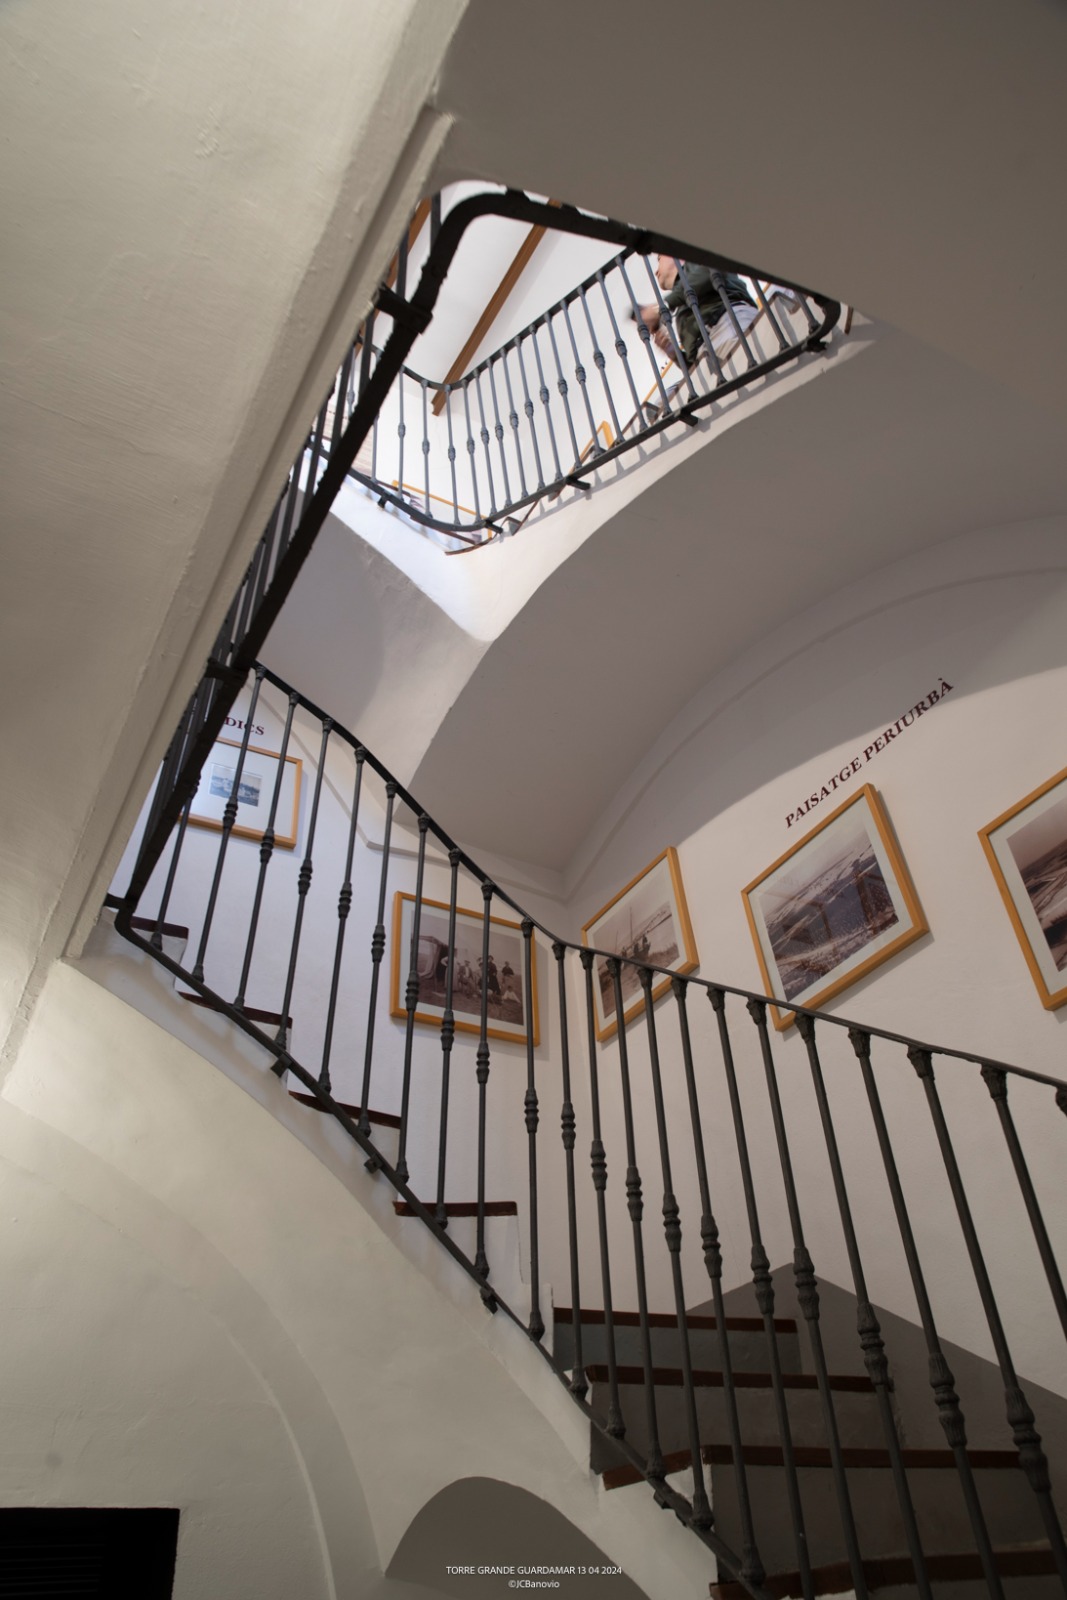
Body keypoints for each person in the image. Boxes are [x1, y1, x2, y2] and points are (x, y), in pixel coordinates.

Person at [637, 254, 758, 371]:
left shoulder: (697, 260)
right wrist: (675, 354)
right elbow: (693, 365)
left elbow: (708, 273)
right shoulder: (680, 301)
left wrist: (660, 307)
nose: (656, 271)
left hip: (727, 325)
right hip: (709, 354)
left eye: (659, 259)